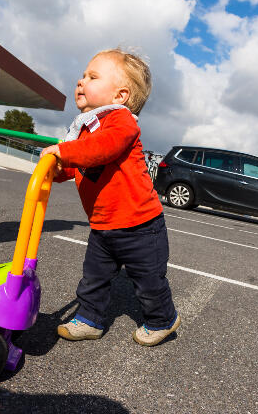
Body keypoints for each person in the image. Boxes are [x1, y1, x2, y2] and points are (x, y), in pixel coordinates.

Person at [40, 48, 180, 346]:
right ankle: (90, 319)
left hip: (140, 225)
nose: (81, 81)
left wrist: (65, 152)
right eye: (82, 75)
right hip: (103, 225)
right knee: (94, 277)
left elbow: (102, 149)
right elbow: (77, 164)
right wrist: (54, 170)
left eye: (92, 76)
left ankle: (162, 319)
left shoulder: (120, 122)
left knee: (148, 281)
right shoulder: (83, 130)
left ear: (120, 96)